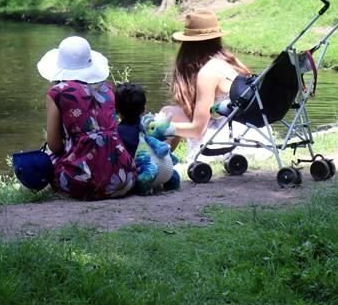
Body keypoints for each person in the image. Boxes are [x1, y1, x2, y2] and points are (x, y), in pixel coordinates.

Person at [37, 36, 137, 200]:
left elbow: (54, 145)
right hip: (123, 178)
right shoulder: (107, 89)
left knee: (45, 162)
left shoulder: (57, 92)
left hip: (81, 184)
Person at [160, 10, 252, 153]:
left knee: (165, 117)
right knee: (170, 112)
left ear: (188, 44)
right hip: (250, 133)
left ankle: (158, 161)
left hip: (228, 140)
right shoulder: (231, 62)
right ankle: (165, 158)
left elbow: (198, 130)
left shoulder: (208, 73)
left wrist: (162, 127)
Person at [115, 82, 181, 194]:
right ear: (143, 108)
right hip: (161, 169)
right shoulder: (150, 128)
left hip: (140, 170)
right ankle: (171, 181)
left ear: (116, 109)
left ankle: (142, 187)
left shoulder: (117, 132)